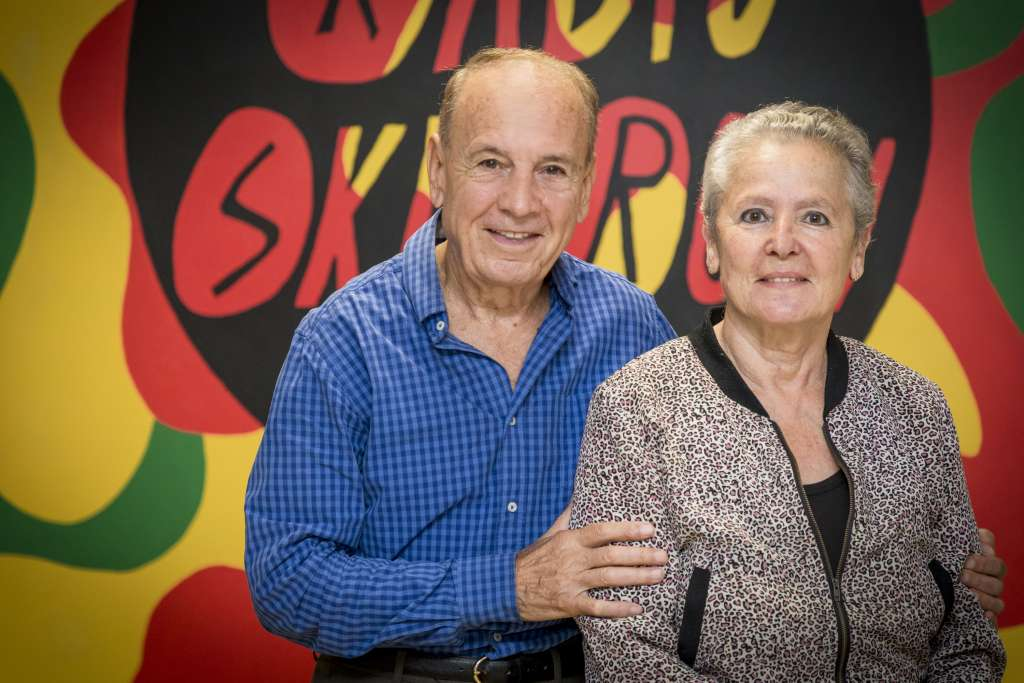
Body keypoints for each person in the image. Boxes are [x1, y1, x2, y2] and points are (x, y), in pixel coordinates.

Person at [244, 49, 1006, 682]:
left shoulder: (629, 325)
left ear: (585, 186)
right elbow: (286, 583)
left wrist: (915, 566)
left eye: (552, 170)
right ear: (439, 169)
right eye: (490, 163)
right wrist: (511, 585)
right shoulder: (343, 339)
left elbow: (726, 503)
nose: (520, 202)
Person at [570, 102, 1006, 681]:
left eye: (815, 218)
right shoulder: (636, 408)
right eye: (754, 215)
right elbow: (623, 653)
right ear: (711, 241)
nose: (783, 242)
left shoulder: (916, 408)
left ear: (858, 247)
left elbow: (969, 640)